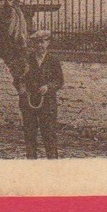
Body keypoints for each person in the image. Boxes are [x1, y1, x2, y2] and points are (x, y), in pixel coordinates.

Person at [20, 28, 64, 159]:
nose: (40, 45)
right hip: (29, 101)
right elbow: (18, 78)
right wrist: (21, 89)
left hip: (47, 102)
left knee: (49, 134)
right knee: (29, 133)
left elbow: (59, 81)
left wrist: (48, 87)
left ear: (48, 43)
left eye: (43, 42)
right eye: (37, 42)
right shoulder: (27, 59)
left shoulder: (53, 60)